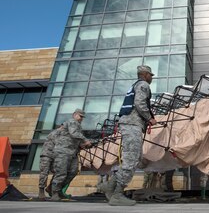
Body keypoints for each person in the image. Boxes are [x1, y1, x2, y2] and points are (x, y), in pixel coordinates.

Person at [101, 65, 157, 206]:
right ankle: (117, 195)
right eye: (150, 75)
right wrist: (149, 118)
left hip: (131, 124)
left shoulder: (135, 85)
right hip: (132, 124)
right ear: (144, 74)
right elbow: (139, 103)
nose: (151, 77)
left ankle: (110, 187)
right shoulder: (143, 84)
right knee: (131, 160)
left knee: (134, 158)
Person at [51, 109, 92, 201]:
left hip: (72, 152)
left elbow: (75, 139)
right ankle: (54, 193)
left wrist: (83, 145)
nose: (81, 118)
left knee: (73, 171)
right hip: (63, 151)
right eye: (80, 116)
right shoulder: (72, 122)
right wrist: (85, 140)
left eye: (82, 117)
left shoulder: (77, 125)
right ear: (74, 115)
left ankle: (59, 190)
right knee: (61, 173)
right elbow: (74, 134)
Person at [38, 125, 63, 200]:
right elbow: (59, 144)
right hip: (46, 155)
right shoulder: (55, 133)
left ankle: (50, 188)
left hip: (54, 156)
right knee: (44, 173)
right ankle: (41, 191)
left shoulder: (61, 134)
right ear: (61, 127)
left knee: (58, 172)